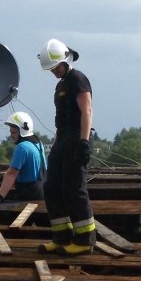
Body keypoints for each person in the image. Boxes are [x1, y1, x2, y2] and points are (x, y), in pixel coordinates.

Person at [37, 38, 96, 255]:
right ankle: (61, 237)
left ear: (64, 61)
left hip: (76, 137)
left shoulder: (78, 80)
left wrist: (83, 143)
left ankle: (84, 241)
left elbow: (86, 111)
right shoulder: (61, 84)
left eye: (54, 67)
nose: (53, 71)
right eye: (50, 69)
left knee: (74, 189)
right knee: (52, 188)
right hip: (62, 138)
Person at [0, 111, 47, 205]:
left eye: (13, 132)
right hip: (43, 191)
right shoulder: (38, 143)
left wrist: (0, 196)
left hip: (28, 195)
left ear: (22, 131)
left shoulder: (22, 147)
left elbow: (11, 174)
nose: (11, 135)